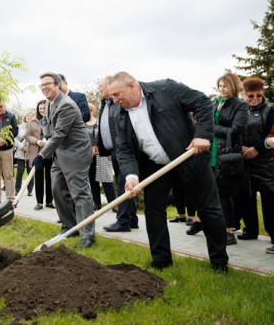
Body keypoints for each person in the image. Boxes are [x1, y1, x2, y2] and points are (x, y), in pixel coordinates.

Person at [109, 71, 229, 271]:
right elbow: (123, 148)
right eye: (111, 97)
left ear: (132, 85)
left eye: (116, 94)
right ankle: (161, 261)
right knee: (154, 212)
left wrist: (203, 134)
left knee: (209, 210)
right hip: (155, 165)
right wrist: (131, 175)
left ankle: (219, 262)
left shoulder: (165, 89)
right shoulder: (118, 112)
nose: (114, 100)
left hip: (189, 157)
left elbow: (202, 102)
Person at [34, 72, 95, 248]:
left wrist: (41, 155)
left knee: (80, 193)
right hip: (60, 153)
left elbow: (60, 134)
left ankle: (87, 235)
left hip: (76, 153)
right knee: (57, 189)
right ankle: (70, 226)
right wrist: (45, 139)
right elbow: (47, 125)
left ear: (58, 85)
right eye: (42, 85)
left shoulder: (66, 105)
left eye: (48, 84)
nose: (44, 87)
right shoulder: (48, 104)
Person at [206, 73, 248, 245]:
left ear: (233, 86)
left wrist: (213, 127)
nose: (221, 89)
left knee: (225, 193)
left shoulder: (240, 105)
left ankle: (229, 231)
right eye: (219, 86)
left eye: (225, 86)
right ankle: (216, 227)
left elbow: (236, 129)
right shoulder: (215, 102)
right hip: (211, 152)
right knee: (213, 193)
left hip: (228, 153)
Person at [94, 77, 138, 232]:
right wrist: (99, 145)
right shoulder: (104, 104)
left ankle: (123, 221)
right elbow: (102, 126)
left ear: (109, 85)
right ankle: (132, 218)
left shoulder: (118, 102)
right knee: (123, 183)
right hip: (111, 150)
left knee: (122, 183)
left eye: (101, 87)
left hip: (122, 149)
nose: (99, 90)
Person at [237, 78, 274, 244]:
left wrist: (256, 149)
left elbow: (271, 135)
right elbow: (230, 132)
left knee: (270, 199)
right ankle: (250, 230)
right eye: (250, 96)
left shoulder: (270, 110)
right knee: (246, 196)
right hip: (243, 162)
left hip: (265, 162)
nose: (255, 99)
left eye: (258, 95)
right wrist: (239, 148)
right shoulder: (237, 110)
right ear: (243, 94)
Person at [86, 102, 116, 212]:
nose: (87, 112)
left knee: (106, 179)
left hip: (101, 155)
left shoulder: (99, 122)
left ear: (92, 111)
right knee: (93, 180)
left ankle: (113, 204)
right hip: (88, 156)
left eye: (89, 110)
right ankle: (97, 204)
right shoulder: (82, 124)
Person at [26, 100, 54, 211]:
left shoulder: (52, 120)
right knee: (38, 177)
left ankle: (49, 201)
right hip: (37, 153)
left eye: (44, 108)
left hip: (50, 152)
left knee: (50, 177)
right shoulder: (33, 121)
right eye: (40, 108)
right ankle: (39, 202)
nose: (42, 110)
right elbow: (27, 136)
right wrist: (37, 141)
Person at [14, 112, 34, 198]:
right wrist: (22, 147)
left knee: (30, 171)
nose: (29, 118)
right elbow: (15, 139)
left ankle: (30, 190)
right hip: (21, 152)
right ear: (24, 117)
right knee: (20, 171)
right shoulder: (19, 127)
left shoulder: (35, 127)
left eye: (31, 116)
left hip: (31, 153)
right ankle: (17, 190)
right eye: (27, 116)